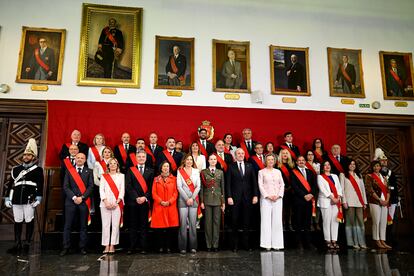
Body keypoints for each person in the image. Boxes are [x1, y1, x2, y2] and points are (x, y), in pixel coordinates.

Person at [5, 139, 44, 254]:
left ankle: (27, 243)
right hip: (16, 198)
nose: (26, 156)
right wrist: (8, 198)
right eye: (25, 155)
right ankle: (17, 243)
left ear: (33, 157)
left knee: (28, 220)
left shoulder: (38, 169)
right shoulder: (16, 169)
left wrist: (38, 198)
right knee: (17, 220)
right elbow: (10, 185)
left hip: (29, 199)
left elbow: (40, 185)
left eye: (29, 155)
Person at [60, 153, 94, 256]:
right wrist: (74, 197)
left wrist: (82, 197)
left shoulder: (89, 171)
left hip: (83, 202)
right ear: (75, 159)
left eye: (82, 158)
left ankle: (82, 247)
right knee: (67, 225)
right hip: (71, 201)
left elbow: (90, 187)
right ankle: (66, 247)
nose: (79, 159)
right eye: (78, 158)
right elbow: (65, 186)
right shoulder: (69, 171)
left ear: (85, 160)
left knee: (83, 226)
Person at [226, 148, 259, 251]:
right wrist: (229, 196)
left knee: (246, 222)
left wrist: (255, 195)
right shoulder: (231, 167)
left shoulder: (250, 166)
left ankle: (246, 244)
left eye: (242, 153)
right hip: (235, 198)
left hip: (248, 198)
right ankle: (234, 245)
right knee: (234, 221)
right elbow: (228, 183)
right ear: (235, 155)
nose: (240, 155)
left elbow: (254, 182)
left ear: (244, 155)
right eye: (238, 153)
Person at [125, 150, 154, 254]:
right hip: (133, 202)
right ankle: (132, 247)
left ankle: (143, 247)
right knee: (133, 225)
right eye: (139, 157)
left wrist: (144, 197)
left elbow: (151, 188)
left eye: (143, 157)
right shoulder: (130, 170)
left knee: (143, 225)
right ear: (136, 158)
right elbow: (128, 186)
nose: (141, 158)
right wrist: (136, 197)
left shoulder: (150, 170)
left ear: (146, 158)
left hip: (145, 202)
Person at [151, 161, 179, 253]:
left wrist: (170, 202)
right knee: (159, 229)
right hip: (159, 206)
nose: (166, 168)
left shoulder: (174, 179)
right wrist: (161, 201)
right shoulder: (156, 179)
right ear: (161, 168)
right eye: (164, 166)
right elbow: (153, 193)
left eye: (167, 166)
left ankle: (169, 247)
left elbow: (176, 192)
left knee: (170, 229)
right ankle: (160, 247)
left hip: (170, 206)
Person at [258, 154, 284, 251]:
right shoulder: (261, 172)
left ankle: (277, 244)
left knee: (277, 221)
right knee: (266, 221)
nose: (270, 161)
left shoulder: (278, 171)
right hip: (266, 199)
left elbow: (282, 184)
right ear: (265, 161)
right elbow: (260, 185)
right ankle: (266, 244)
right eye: (268, 159)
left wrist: (278, 195)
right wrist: (268, 196)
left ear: (275, 160)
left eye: (272, 159)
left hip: (278, 199)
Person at [291, 155, 318, 249]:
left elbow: (315, 186)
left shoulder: (310, 172)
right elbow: (294, 186)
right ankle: (298, 243)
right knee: (298, 222)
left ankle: (308, 243)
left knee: (307, 223)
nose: (301, 162)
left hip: (309, 200)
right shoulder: (293, 172)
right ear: (296, 162)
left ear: (305, 162)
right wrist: (304, 195)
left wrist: (311, 195)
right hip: (299, 200)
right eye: (299, 160)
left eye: (303, 160)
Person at [339, 159, 367, 249]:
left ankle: (361, 242)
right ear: (347, 165)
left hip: (359, 201)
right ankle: (352, 242)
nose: (352, 165)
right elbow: (342, 189)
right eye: (350, 164)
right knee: (350, 222)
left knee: (360, 222)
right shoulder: (343, 175)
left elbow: (363, 190)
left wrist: (365, 202)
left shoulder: (359, 175)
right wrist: (344, 201)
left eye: (354, 164)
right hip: (349, 202)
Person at [200, 154, 225, 251]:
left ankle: (215, 245)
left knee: (216, 222)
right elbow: (202, 188)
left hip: (218, 200)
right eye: (211, 159)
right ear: (208, 161)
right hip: (207, 200)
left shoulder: (220, 172)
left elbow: (222, 188)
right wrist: (202, 201)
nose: (213, 161)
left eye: (215, 159)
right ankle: (208, 245)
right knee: (208, 223)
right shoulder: (203, 172)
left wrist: (223, 203)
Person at [99, 158, 124, 254]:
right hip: (105, 204)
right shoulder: (104, 176)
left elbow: (122, 190)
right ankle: (106, 245)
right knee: (105, 225)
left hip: (117, 203)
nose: (113, 165)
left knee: (115, 225)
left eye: (115, 163)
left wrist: (117, 202)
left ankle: (112, 245)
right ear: (108, 166)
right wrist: (105, 201)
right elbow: (101, 190)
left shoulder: (121, 176)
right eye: (111, 163)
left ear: (117, 165)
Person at [365, 160, 392, 249]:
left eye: (378, 166)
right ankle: (377, 240)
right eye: (375, 166)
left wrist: (387, 200)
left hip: (385, 202)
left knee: (383, 222)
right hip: (375, 202)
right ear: (372, 167)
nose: (377, 168)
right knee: (376, 222)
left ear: (380, 167)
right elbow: (369, 189)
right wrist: (379, 199)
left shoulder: (384, 177)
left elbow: (388, 190)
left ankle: (383, 240)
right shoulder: (369, 176)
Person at [177, 154, 201, 254]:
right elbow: (179, 186)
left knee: (192, 224)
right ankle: (182, 247)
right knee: (182, 225)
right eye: (187, 160)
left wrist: (191, 198)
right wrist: (187, 198)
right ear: (184, 161)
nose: (189, 161)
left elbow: (198, 186)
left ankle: (193, 247)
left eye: (191, 160)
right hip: (183, 200)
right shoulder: (180, 171)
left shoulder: (196, 171)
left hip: (193, 200)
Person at [375, 148, 399, 247]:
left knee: (390, 220)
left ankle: (389, 237)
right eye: (382, 161)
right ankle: (381, 238)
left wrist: (394, 197)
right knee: (381, 220)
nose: (384, 162)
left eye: (385, 161)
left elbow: (394, 186)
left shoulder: (390, 172)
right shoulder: (378, 172)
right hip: (381, 199)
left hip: (391, 199)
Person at [317, 160, 343, 250]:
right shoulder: (320, 177)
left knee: (335, 221)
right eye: (325, 165)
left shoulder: (335, 176)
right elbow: (323, 189)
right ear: (322, 167)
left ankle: (334, 240)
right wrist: (333, 198)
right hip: (326, 201)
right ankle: (328, 240)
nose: (327, 166)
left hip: (336, 201)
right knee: (326, 221)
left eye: (328, 165)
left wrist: (338, 198)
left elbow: (339, 188)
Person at [277, 148, 295, 231]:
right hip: (281, 189)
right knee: (282, 208)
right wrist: (282, 188)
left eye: (286, 153)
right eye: (283, 153)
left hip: (290, 189)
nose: (285, 155)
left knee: (290, 208)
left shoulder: (292, 166)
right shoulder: (277, 166)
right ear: (281, 155)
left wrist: (291, 187)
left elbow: (295, 178)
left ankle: (289, 223)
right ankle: (283, 224)